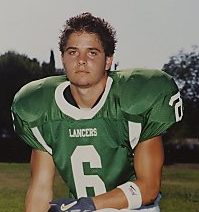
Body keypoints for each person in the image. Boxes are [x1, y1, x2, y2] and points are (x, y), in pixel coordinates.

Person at [11, 12, 183, 212]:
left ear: (108, 60)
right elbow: (40, 189)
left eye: (92, 52)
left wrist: (91, 204)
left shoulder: (133, 101)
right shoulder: (42, 109)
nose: (81, 60)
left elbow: (149, 188)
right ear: (63, 59)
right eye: (73, 52)